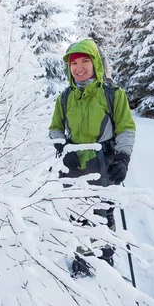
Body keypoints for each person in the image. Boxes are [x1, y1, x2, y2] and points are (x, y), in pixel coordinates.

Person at [48, 38, 136, 276]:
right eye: (74, 63)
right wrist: (64, 149)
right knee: (77, 214)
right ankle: (81, 261)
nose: (79, 67)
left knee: (103, 214)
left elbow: (126, 129)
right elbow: (55, 128)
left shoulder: (113, 94)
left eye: (85, 60)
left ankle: (104, 262)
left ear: (95, 63)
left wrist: (122, 158)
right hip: (74, 166)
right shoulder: (65, 97)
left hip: (104, 164)